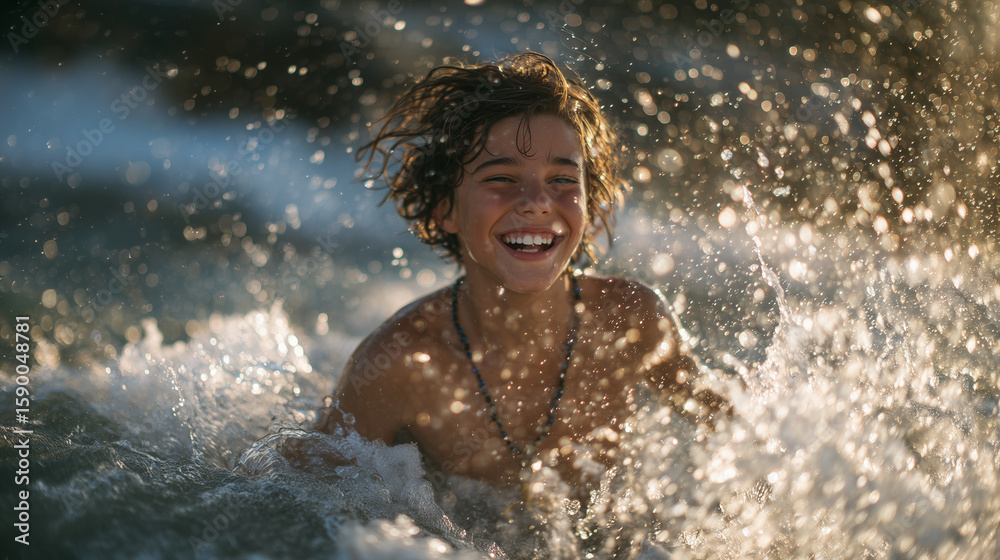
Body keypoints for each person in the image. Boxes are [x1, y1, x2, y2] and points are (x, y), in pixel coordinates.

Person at [308, 52, 731, 505]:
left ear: (589, 210)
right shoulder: (397, 364)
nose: (536, 202)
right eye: (502, 178)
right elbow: (309, 506)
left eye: (563, 181)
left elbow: (739, 443)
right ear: (446, 210)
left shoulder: (631, 321)